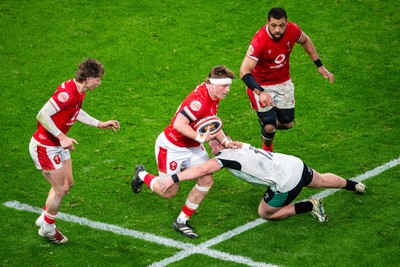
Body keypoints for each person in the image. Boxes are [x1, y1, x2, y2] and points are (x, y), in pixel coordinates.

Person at [131, 65, 241, 238]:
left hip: (192, 146)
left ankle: (181, 221)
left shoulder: (213, 94)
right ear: (213, 84)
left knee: (206, 180)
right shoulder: (198, 101)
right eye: (225, 86)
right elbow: (178, 124)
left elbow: (210, 122)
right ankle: (141, 175)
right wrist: (199, 137)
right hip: (172, 147)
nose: (228, 90)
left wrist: (226, 142)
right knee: (168, 192)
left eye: (229, 86)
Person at [160, 139, 366, 222]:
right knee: (321, 180)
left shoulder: (223, 157)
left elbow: (201, 169)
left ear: (216, 145)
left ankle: (309, 205)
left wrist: (174, 177)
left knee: (265, 213)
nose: (209, 147)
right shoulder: (239, 145)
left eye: (210, 143)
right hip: (294, 164)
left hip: (286, 183)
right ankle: (354, 184)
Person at [29, 58, 120, 244]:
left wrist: (99, 124)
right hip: (45, 146)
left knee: (67, 183)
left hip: (57, 145)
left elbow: (75, 111)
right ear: (87, 78)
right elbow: (42, 114)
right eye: (97, 79)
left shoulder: (79, 91)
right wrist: (62, 137)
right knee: (60, 189)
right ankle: (48, 228)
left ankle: (44, 218)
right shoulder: (67, 93)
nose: (99, 82)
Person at [240, 7, 335, 152]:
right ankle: (267, 150)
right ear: (267, 22)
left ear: (287, 22)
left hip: (283, 82)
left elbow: (305, 40)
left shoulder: (293, 30)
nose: (277, 30)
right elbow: (244, 71)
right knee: (270, 125)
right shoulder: (260, 40)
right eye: (273, 26)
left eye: (281, 25)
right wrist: (261, 92)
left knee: (288, 123)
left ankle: (266, 122)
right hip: (261, 85)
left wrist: (319, 65)